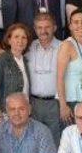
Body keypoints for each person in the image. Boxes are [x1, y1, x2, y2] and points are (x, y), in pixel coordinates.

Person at [23, 14, 65, 145]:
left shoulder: (64, 47)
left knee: (55, 141)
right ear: (35, 29)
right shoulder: (28, 47)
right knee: (34, 141)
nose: (43, 31)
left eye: (47, 27)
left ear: (55, 28)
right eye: (39, 27)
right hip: (33, 103)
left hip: (55, 103)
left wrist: (63, 104)